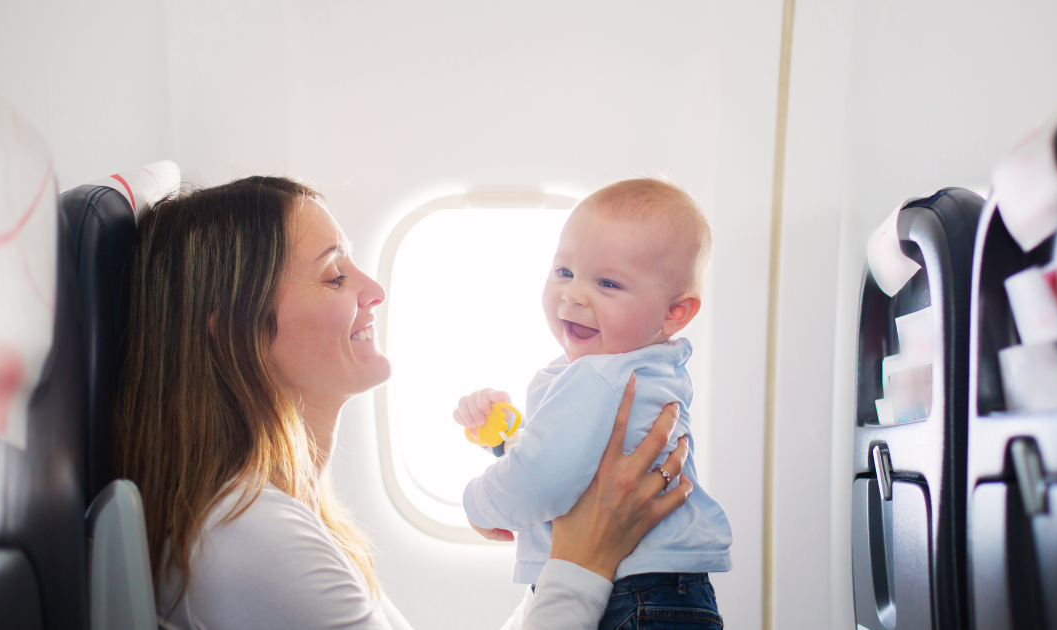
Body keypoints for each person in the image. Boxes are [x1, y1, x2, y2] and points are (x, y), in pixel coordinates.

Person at [113, 176, 694, 630]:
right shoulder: (250, 536)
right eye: (335, 276)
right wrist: (583, 562)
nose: (375, 289)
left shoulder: (289, 513)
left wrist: (575, 542)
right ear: (235, 330)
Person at [455, 179, 731, 628]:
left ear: (674, 313)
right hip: (666, 591)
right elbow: (580, 461)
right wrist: (507, 440)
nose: (573, 294)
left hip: (633, 595)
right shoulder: (645, 367)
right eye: (564, 272)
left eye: (607, 283)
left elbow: (543, 481)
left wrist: (478, 504)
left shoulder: (598, 376)